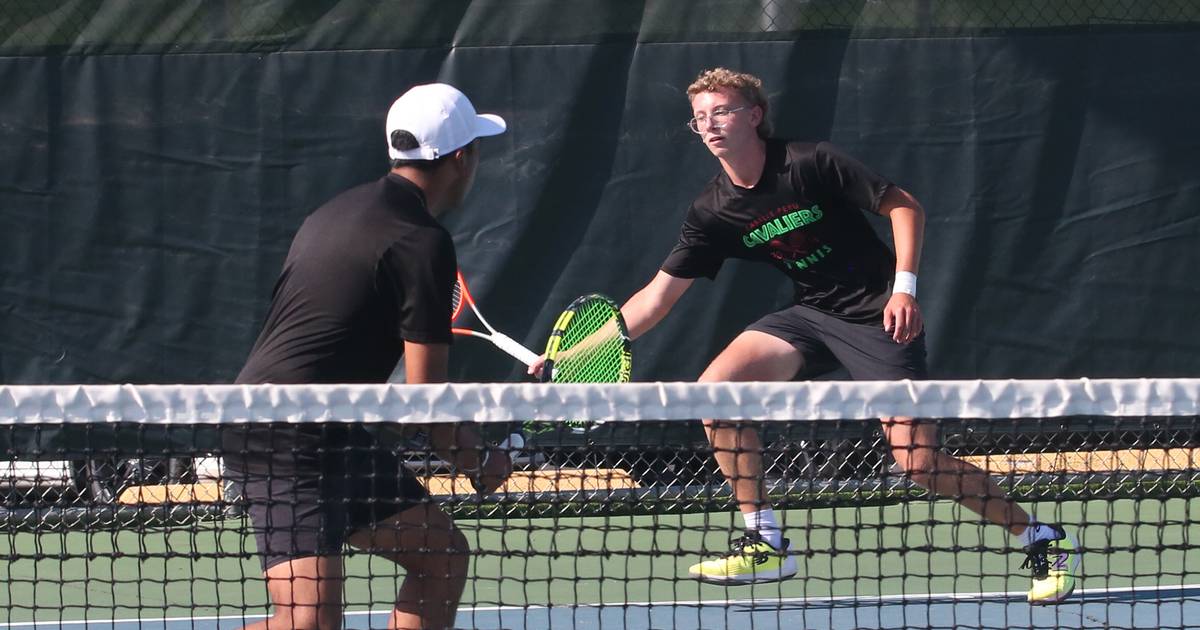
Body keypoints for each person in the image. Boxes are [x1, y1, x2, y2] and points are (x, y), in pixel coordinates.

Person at [537, 68, 1079, 604]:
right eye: (700, 117)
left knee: (917, 461)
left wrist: (904, 289)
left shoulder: (809, 162)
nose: (709, 125)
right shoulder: (713, 210)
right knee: (716, 393)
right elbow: (655, 299)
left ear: (754, 115)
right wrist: (573, 352)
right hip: (812, 315)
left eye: (721, 111)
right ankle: (765, 541)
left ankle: (1041, 539)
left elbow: (903, 205)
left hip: (878, 315)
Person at [224, 83, 513, 630]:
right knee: (307, 623)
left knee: (441, 558)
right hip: (281, 436)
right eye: (476, 149)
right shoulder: (421, 242)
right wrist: (479, 462)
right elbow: (425, 408)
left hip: (330, 430)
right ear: (460, 158)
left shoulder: (336, 210)